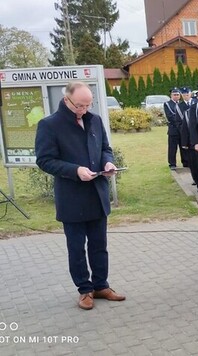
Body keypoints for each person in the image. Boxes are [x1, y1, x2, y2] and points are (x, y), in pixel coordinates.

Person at [34, 81, 126, 310]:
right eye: (80, 106)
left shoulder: (94, 120)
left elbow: (106, 147)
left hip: (96, 193)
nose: (84, 110)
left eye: (88, 105)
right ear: (67, 100)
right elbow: (44, 160)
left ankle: (101, 285)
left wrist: (108, 162)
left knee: (99, 245)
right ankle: (85, 290)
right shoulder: (49, 125)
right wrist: (75, 171)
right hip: (72, 197)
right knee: (76, 247)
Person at [164, 87, 183, 170]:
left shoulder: (182, 104)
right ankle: (172, 163)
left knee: (183, 147)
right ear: (171, 95)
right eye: (174, 95)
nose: (176, 96)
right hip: (173, 129)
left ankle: (185, 162)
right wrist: (179, 122)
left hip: (182, 129)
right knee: (172, 148)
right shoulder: (167, 104)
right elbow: (170, 116)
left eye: (177, 94)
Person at [178, 87, 196, 172]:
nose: (186, 96)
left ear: (190, 94)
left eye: (187, 94)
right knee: (189, 155)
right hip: (186, 133)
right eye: (184, 95)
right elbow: (178, 121)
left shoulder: (196, 103)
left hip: (195, 133)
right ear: (182, 95)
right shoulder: (179, 106)